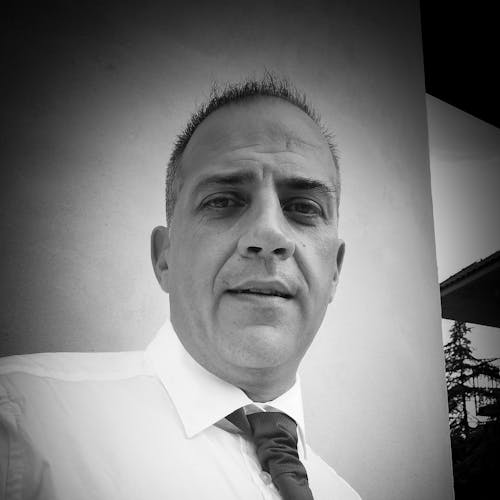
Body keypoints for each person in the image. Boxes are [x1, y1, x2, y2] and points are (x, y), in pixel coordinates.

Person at [0, 75, 360, 499]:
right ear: (165, 257)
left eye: (303, 207)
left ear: (334, 272)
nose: (268, 234)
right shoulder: (23, 422)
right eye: (223, 201)